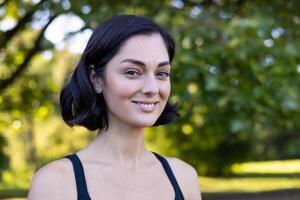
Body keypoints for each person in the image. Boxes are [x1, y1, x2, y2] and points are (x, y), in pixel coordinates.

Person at [28, 15, 202, 200]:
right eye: (132, 72)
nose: (152, 88)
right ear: (96, 79)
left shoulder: (184, 178)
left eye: (161, 73)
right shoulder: (55, 183)